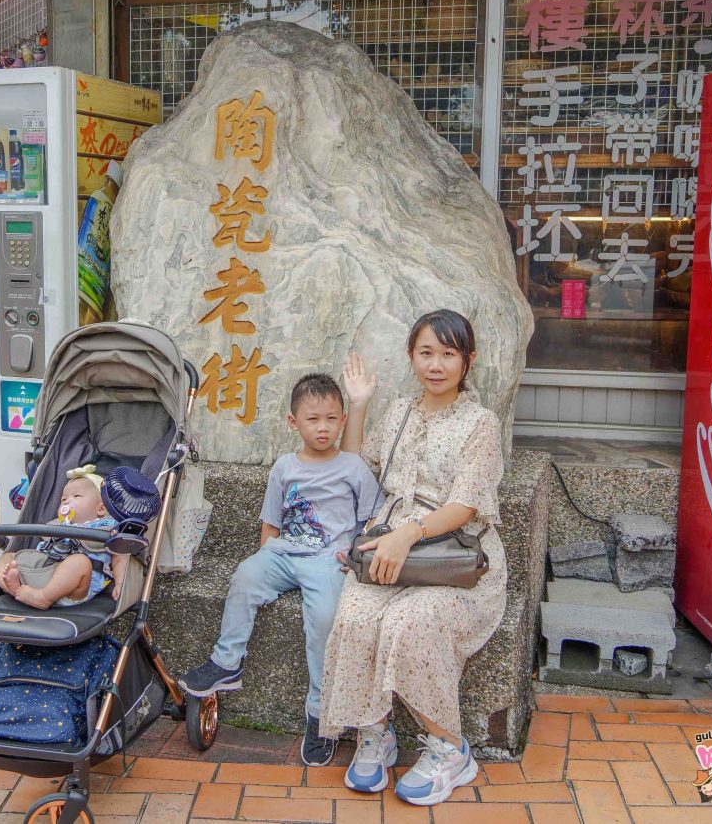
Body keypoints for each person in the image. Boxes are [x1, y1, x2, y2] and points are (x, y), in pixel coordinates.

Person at [320, 309, 506, 806]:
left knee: (412, 620)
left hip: (456, 564)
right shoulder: (400, 411)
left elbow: (467, 504)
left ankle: (449, 747)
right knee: (356, 614)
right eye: (427, 352)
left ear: (468, 361)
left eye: (449, 354)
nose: (437, 364)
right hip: (392, 553)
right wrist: (357, 406)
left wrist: (408, 533)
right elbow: (361, 467)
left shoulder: (480, 423)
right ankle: (374, 734)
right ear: (412, 357)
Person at [179, 373, 381, 766]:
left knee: (323, 618)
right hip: (284, 552)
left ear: (343, 420)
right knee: (245, 576)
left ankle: (321, 714)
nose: (323, 428)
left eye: (331, 419)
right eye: (312, 419)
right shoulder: (284, 467)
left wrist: (355, 554)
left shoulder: (353, 467)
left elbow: (373, 520)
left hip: (329, 561)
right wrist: (264, 561)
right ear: (293, 423)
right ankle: (226, 662)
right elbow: (270, 523)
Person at [0, 465, 128, 609]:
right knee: (8, 558)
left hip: (75, 587)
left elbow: (120, 557)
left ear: (100, 508)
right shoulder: (56, 525)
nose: (67, 501)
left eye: (77, 496)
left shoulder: (107, 527)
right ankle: (14, 589)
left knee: (79, 562)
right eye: (64, 499)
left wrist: (120, 584)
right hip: (42, 572)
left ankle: (43, 598)